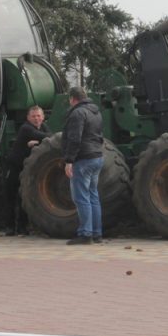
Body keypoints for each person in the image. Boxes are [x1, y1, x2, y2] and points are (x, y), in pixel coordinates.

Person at [63, 86, 104, 245]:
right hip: (97, 157)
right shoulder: (96, 112)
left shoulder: (77, 113)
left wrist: (69, 160)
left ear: (72, 99)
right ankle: (97, 233)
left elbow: (75, 138)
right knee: (93, 196)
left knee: (81, 198)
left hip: (83, 159)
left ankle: (85, 234)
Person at [3, 105, 50, 236]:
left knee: (24, 198)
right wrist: (40, 140)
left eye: (39, 116)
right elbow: (44, 136)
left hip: (26, 169)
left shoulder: (44, 126)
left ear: (43, 117)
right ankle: (10, 227)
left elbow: (48, 136)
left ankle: (22, 227)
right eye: (33, 116)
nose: (36, 119)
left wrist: (37, 143)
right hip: (14, 166)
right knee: (10, 197)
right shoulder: (26, 128)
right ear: (28, 118)